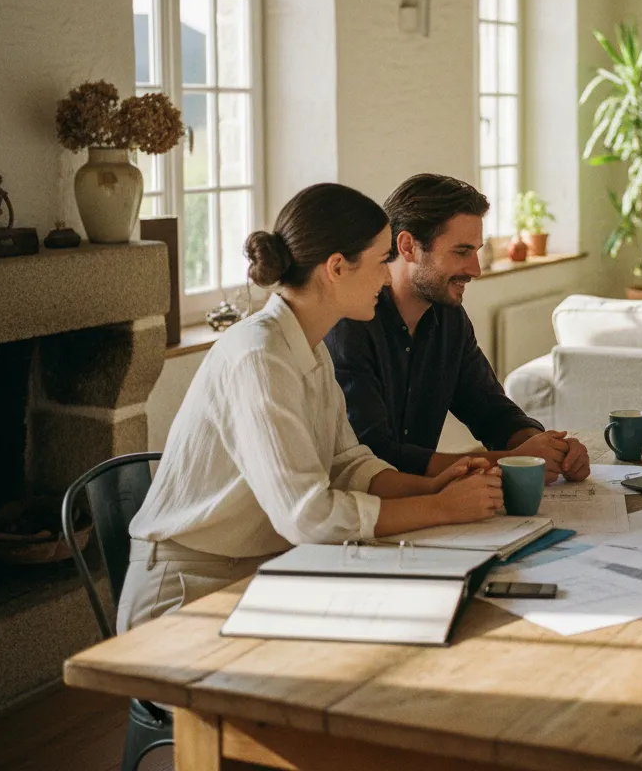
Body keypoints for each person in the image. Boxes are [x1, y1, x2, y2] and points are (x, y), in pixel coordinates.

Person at [117, 183, 503, 632]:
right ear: (336, 268)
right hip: (189, 592)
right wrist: (441, 509)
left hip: (264, 571)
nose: (386, 277)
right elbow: (308, 516)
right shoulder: (258, 356)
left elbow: (349, 464)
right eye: (381, 262)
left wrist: (433, 485)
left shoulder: (310, 349)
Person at [325, 173, 590, 485]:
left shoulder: (449, 319)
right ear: (408, 246)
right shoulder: (350, 325)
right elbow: (375, 456)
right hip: (363, 516)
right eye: (461, 252)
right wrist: (513, 459)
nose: (475, 269)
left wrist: (548, 447)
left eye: (477, 251)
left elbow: (491, 411)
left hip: (426, 507)